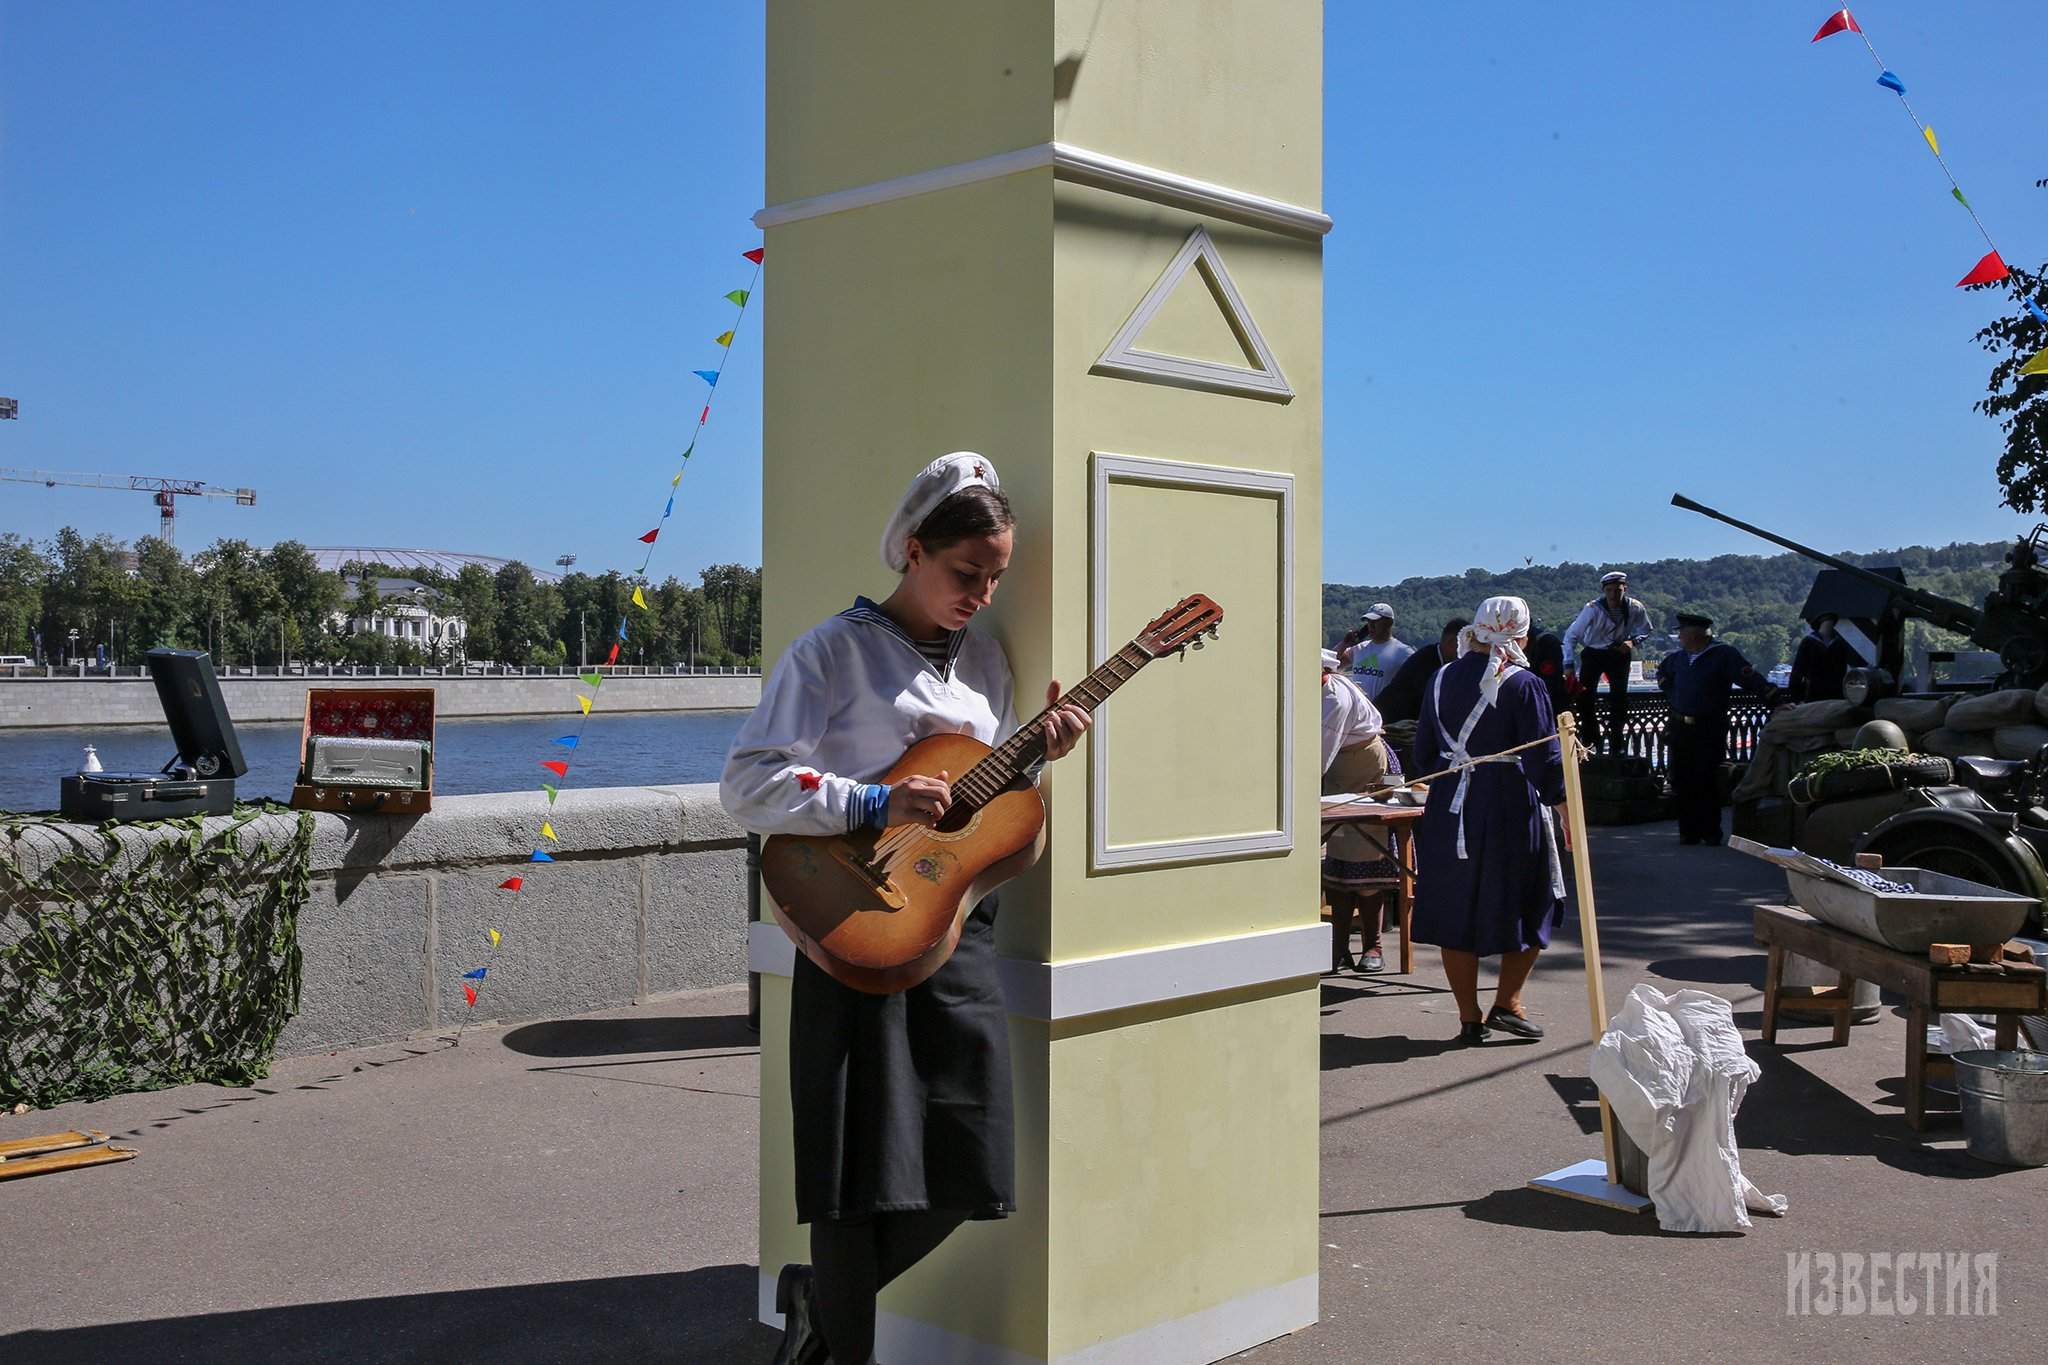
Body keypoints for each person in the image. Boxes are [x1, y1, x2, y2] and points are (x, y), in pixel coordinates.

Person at [720, 452, 1090, 1365]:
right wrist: (873, 802)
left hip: (953, 932)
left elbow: (970, 803)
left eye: (996, 575)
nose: (982, 591)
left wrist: (1038, 756)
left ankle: (818, 1296)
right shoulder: (829, 651)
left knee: (972, 1170)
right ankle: (844, 1343)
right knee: (855, 1178)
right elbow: (747, 784)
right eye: (968, 573)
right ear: (913, 551)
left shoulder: (988, 664)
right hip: (850, 927)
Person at [1411, 596, 1567, 1044]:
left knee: (1456, 903)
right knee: (1531, 897)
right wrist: (1567, 810)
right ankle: (1508, 1003)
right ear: (1521, 634)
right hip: (1507, 805)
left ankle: (1468, 1016)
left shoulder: (1440, 678)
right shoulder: (1524, 684)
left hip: (1449, 803)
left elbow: (1423, 754)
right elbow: (1545, 758)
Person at [1657, 612, 1777, 846]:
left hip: (1709, 726)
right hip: (1681, 726)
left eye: (1682, 631)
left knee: (1707, 778)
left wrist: (1775, 700)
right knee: (1682, 779)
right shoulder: (1679, 658)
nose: (1679, 636)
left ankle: (1711, 831)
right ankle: (1688, 831)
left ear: (1695, 634)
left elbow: (1749, 678)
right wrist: (1673, 696)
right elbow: (1663, 674)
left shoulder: (1723, 655)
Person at [1321, 647, 1399, 973]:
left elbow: (1319, 755)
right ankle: (1339, 947)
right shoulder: (1320, 692)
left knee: (1367, 858)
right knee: (1337, 863)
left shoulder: (1334, 699)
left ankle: (1373, 946)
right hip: (1341, 771)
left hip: (1364, 770)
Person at [1562, 571, 1653, 754]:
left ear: (1624, 589)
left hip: (1619, 654)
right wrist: (1569, 664)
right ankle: (1591, 742)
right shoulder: (1593, 609)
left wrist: (1632, 642)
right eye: (1609, 590)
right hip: (1594, 653)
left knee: (1619, 699)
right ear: (1604, 591)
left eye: (1617, 590)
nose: (1613, 595)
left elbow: (1646, 629)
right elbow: (1572, 635)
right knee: (1585, 698)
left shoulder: (1635, 607)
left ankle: (1617, 744)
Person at [1375, 617, 1468, 726]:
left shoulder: (1437, 659)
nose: (1467, 653)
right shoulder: (1425, 663)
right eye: (1465, 647)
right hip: (1391, 722)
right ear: (1451, 642)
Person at [1338, 603, 1414, 702]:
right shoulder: (1359, 648)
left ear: (1389, 623)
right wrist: (1345, 643)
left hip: (1383, 713)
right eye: (1369, 622)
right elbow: (1333, 664)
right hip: (1357, 713)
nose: (1371, 626)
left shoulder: (1403, 652)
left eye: (1375, 621)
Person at [1787, 612, 1858, 703]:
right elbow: (1798, 671)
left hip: (1835, 694)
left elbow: (1842, 670)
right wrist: (1795, 698)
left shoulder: (1840, 643)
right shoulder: (1809, 642)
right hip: (1813, 694)